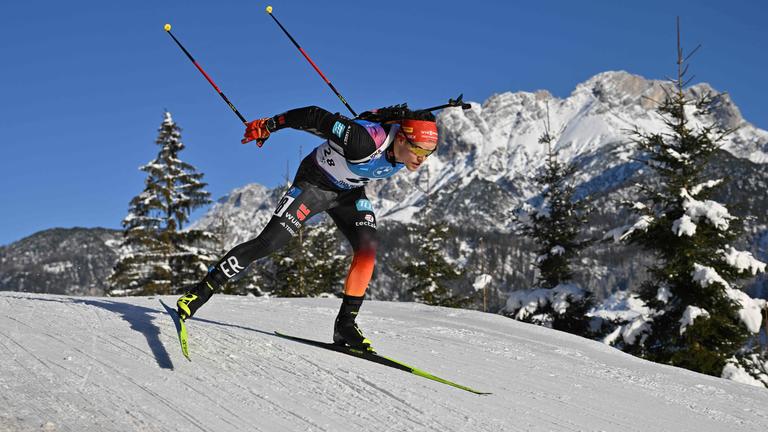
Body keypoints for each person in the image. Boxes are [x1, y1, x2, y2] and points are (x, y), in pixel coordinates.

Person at [176, 105, 438, 351]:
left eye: (429, 153)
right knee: (268, 243)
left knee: (368, 247)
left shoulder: (404, 148)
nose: (423, 159)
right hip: (315, 185)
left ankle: (345, 326)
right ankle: (200, 292)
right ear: (402, 139)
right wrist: (269, 125)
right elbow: (313, 116)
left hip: (348, 193)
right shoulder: (363, 141)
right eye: (420, 151)